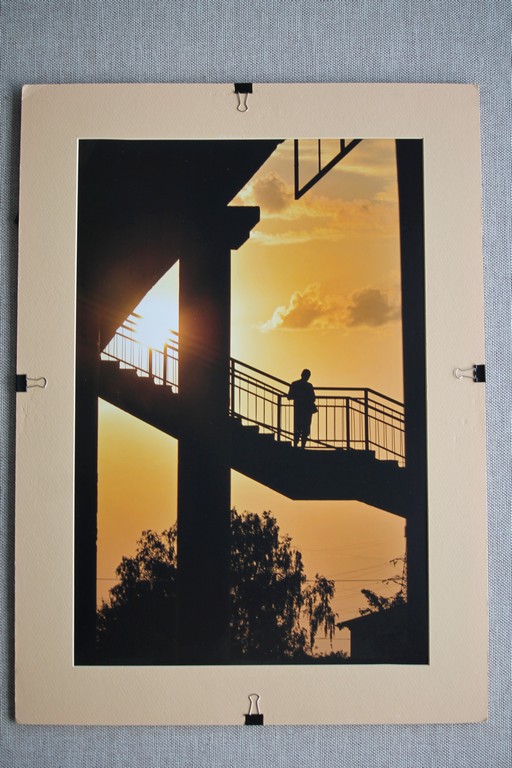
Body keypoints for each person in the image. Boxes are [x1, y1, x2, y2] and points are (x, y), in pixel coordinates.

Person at [287, 369, 317, 448]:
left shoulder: (295, 384)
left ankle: (296, 444)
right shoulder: (309, 386)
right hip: (306, 410)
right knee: (305, 428)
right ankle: (302, 446)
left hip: (299, 409)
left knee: (298, 427)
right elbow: (313, 398)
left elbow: (289, 396)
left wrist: (298, 397)